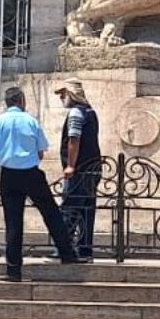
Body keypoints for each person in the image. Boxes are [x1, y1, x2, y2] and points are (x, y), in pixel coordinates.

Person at [0, 85, 78, 280]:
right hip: (31, 173)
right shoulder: (31, 121)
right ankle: (67, 253)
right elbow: (41, 150)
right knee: (51, 213)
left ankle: (14, 270)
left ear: (7, 103)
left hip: (9, 175)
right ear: (22, 101)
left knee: (13, 223)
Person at [53, 80, 101, 261]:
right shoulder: (91, 112)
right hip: (92, 168)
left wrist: (70, 165)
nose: (61, 98)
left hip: (79, 170)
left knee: (70, 208)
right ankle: (85, 250)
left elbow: (74, 140)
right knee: (87, 209)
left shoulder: (76, 113)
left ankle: (64, 248)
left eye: (63, 94)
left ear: (71, 94)